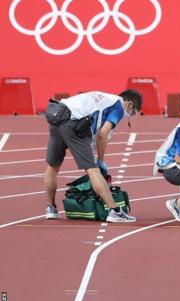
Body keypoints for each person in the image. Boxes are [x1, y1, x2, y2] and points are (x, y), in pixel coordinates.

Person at [44, 90, 142, 223]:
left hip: (57, 115)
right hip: (73, 122)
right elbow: (102, 134)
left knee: (53, 166)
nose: (129, 116)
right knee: (93, 169)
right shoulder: (118, 106)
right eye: (133, 113)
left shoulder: (104, 97)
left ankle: (51, 208)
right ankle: (114, 210)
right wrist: (100, 160)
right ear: (129, 104)